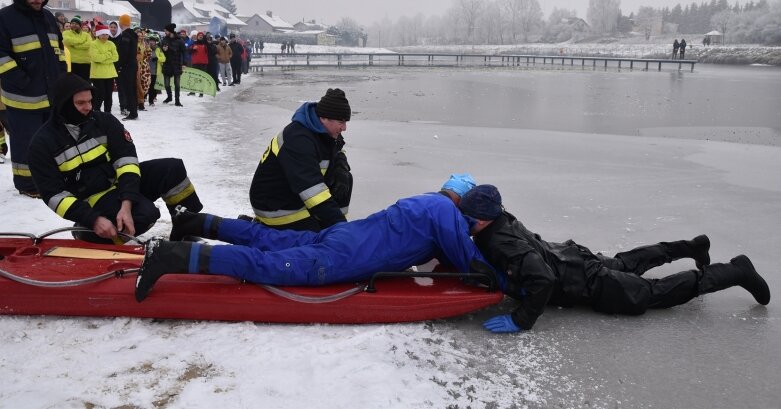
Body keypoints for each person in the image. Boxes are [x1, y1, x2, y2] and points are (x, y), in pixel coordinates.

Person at [459, 185, 771, 333]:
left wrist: (520, 319)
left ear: (484, 219)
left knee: (650, 294)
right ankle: (691, 247)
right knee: (624, 263)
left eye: (469, 218)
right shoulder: (500, 218)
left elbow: (543, 279)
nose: (465, 222)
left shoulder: (499, 240)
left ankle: (735, 271)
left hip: (581, 281)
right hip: (572, 257)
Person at [134, 188, 500, 302]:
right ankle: (169, 255)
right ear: (475, 215)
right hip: (341, 257)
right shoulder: (450, 221)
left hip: (344, 234)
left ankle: (194, 222)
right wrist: (511, 283)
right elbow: (473, 268)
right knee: (266, 264)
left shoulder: (429, 202)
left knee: (267, 237)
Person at [27, 73, 204, 245]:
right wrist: (93, 219)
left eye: (90, 101)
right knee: (145, 215)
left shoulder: (104, 122)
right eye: (80, 103)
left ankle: (187, 230)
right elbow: (54, 196)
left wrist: (127, 202)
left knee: (172, 168)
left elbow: (127, 162)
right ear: (63, 105)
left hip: (118, 185)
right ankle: (87, 233)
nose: (88, 107)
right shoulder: (42, 144)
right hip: (92, 201)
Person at [0, 0, 67, 197]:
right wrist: (21, 80)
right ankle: (27, 184)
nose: (38, 0)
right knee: (25, 140)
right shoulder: (5, 18)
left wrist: (62, 77)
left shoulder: (47, 17)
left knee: (50, 139)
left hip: (50, 93)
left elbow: (57, 48)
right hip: (22, 96)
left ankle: (48, 177)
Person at [249, 88, 353, 230]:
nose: (344, 128)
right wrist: (342, 229)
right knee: (318, 242)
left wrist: (341, 163)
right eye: (341, 122)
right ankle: (337, 231)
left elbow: (335, 148)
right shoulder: (298, 140)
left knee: (344, 177)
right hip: (277, 207)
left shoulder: (325, 131)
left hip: (296, 194)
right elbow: (313, 192)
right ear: (324, 118)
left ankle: (336, 229)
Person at [88, 24, 118, 113]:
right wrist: (108, 55)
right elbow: (96, 58)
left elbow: (116, 57)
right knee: (99, 95)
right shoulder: (93, 44)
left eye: (106, 34)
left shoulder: (111, 43)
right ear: (98, 34)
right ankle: (96, 113)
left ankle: (108, 113)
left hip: (110, 74)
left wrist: (103, 59)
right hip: (97, 74)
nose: (105, 36)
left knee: (108, 96)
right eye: (103, 34)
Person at [116, 14, 138, 120]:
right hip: (133, 64)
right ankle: (133, 110)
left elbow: (124, 53)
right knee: (132, 88)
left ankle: (133, 112)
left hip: (127, 65)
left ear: (121, 23)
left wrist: (119, 65)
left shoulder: (125, 35)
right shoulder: (133, 34)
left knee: (128, 89)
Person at [62, 16, 93, 81]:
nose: (74, 25)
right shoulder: (66, 33)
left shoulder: (86, 35)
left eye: (76, 24)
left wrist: (75, 46)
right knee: (73, 83)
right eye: (72, 23)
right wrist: (81, 41)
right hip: (72, 62)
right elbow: (67, 41)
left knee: (85, 83)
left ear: (80, 25)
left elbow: (89, 44)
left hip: (85, 63)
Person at [160, 23, 185, 106]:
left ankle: (177, 100)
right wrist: (164, 50)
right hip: (167, 64)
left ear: (170, 31)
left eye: (166, 31)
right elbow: (161, 50)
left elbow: (184, 52)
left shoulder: (179, 40)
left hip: (177, 64)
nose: (165, 32)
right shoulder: (164, 39)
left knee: (177, 84)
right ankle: (169, 97)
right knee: (166, 83)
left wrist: (184, 63)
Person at [146, 34, 165, 106]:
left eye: (153, 41)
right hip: (146, 70)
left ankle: (151, 100)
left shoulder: (158, 49)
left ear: (155, 42)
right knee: (145, 85)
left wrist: (158, 58)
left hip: (154, 71)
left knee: (152, 86)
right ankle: (143, 98)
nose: (151, 42)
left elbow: (164, 58)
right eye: (150, 41)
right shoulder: (145, 47)